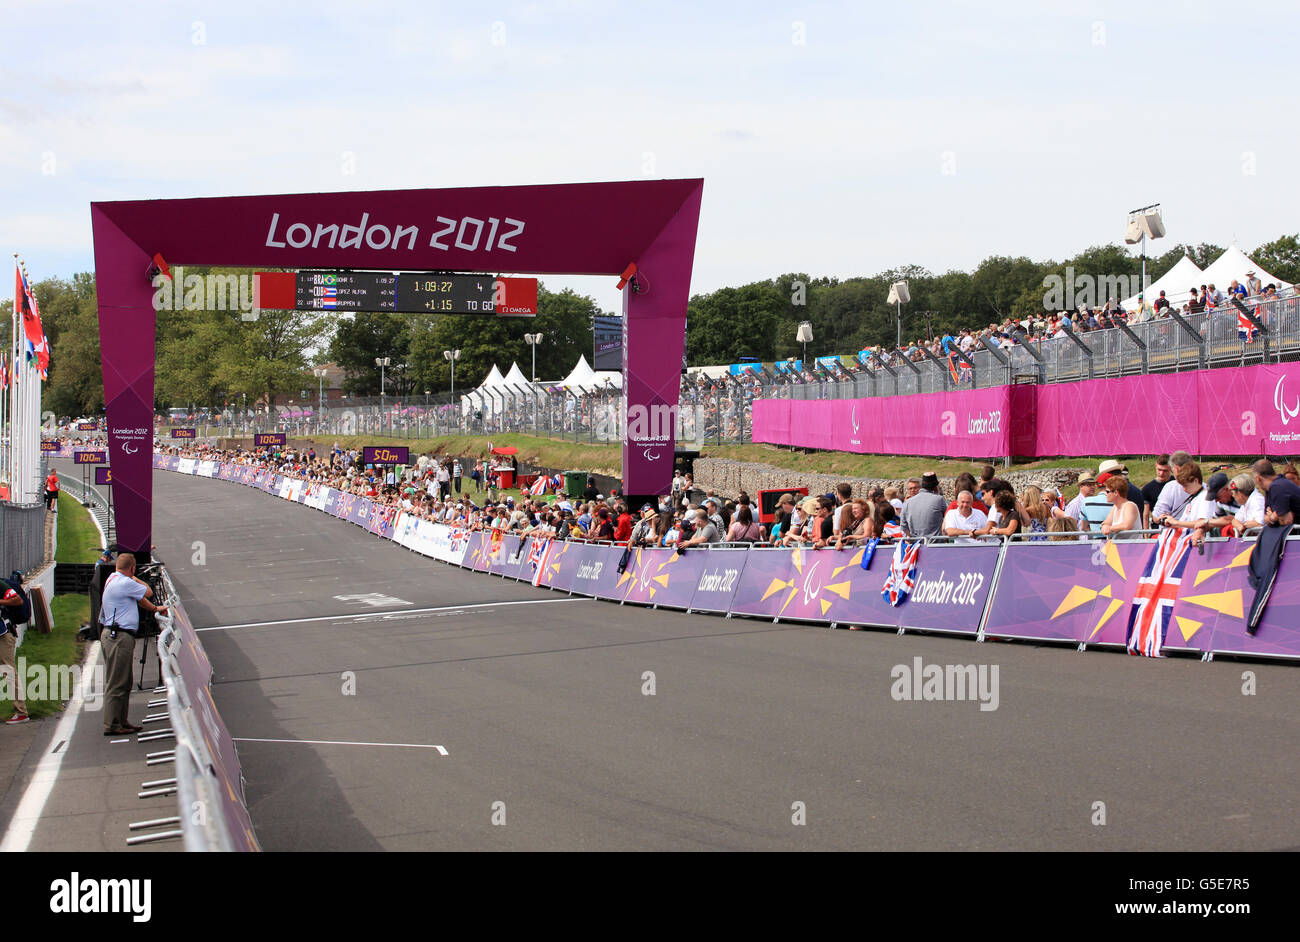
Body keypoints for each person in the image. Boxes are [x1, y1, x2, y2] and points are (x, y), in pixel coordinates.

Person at [99, 554, 168, 736]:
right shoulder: (125, 582)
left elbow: (140, 600)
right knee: (117, 681)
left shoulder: (113, 578)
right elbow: (148, 592)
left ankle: (121, 720)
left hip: (116, 635)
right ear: (132, 568)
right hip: (119, 636)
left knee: (125, 680)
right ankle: (113, 724)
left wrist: (154, 609)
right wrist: (135, 577)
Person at [1, 579, 28, 724]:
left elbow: (17, 600)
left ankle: (21, 712)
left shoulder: (1, 585)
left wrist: (1, 602)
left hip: (3, 635)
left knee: (9, 672)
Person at [1252, 459, 1300, 529]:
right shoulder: (1271, 488)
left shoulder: (1278, 487)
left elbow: (1286, 521)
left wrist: (1273, 517)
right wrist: (1273, 517)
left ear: (1258, 478)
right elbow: (1266, 518)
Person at [901, 472, 947, 538]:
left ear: (922, 486)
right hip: (935, 544)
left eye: (915, 488)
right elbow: (947, 519)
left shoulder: (907, 503)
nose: (913, 490)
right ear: (936, 486)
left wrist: (911, 539)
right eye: (910, 488)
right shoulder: (939, 499)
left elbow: (903, 526)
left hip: (916, 544)